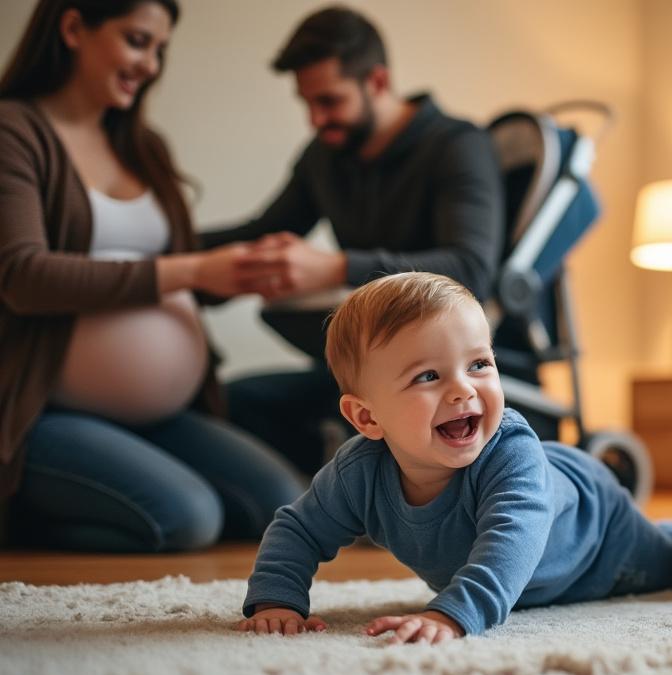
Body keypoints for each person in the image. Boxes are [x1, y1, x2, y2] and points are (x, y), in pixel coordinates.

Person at [0, 0, 305, 552]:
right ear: (73, 27)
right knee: (189, 518)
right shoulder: (14, 131)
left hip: (160, 413)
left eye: (160, 50)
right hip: (45, 408)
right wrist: (193, 270)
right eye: (137, 41)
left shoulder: (143, 146)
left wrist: (244, 268)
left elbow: (171, 270)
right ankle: (18, 517)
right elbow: (25, 276)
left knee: (282, 505)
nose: (151, 65)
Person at [235, 273, 672, 642]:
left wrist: (452, 614)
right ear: (367, 417)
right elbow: (299, 528)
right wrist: (277, 600)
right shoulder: (359, 473)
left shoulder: (510, 453)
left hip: (602, 536)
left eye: (478, 365)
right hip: (544, 556)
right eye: (428, 376)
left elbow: (513, 538)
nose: (463, 389)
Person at [200, 6, 507, 477]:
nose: (315, 120)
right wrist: (163, 247)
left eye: (329, 101)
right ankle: (329, 492)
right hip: (372, 371)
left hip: (441, 375)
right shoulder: (326, 156)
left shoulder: (457, 146)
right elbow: (261, 231)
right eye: (307, 104)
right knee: (230, 404)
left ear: (377, 81)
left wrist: (334, 268)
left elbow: (470, 269)